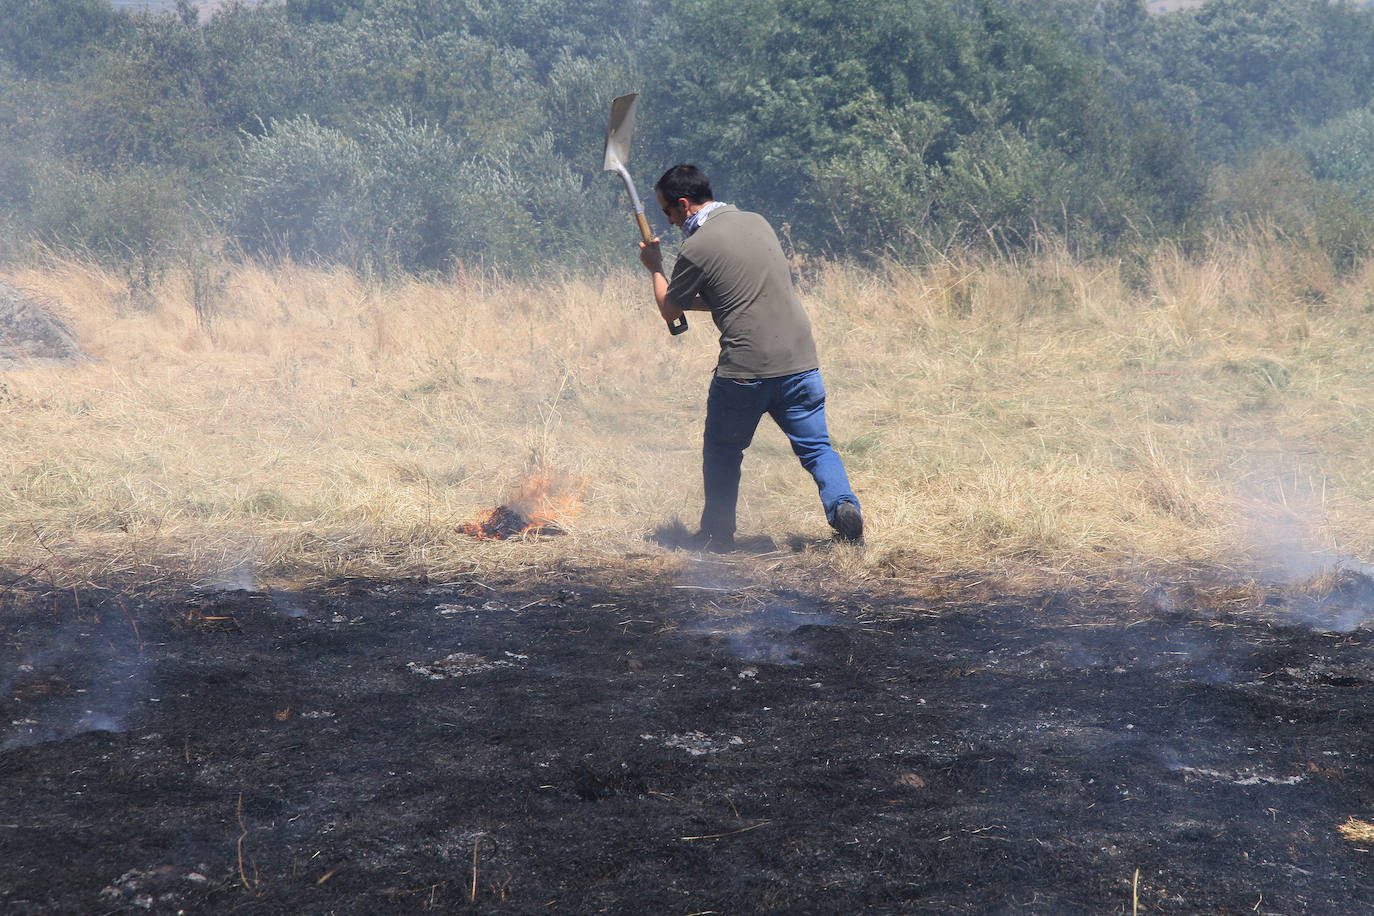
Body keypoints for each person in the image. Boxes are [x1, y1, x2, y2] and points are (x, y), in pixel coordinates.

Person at [637, 163, 863, 550]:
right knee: (816, 447)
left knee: (723, 450)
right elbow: (733, 294)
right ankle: (843, 507)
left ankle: (716, 535)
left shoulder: (697, 247)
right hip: (800, 360)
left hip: (746, 368)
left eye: (666, 212)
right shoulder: (757, 221)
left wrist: (655, 267)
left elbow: (669, 309)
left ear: (685, 205)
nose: (668, 221)